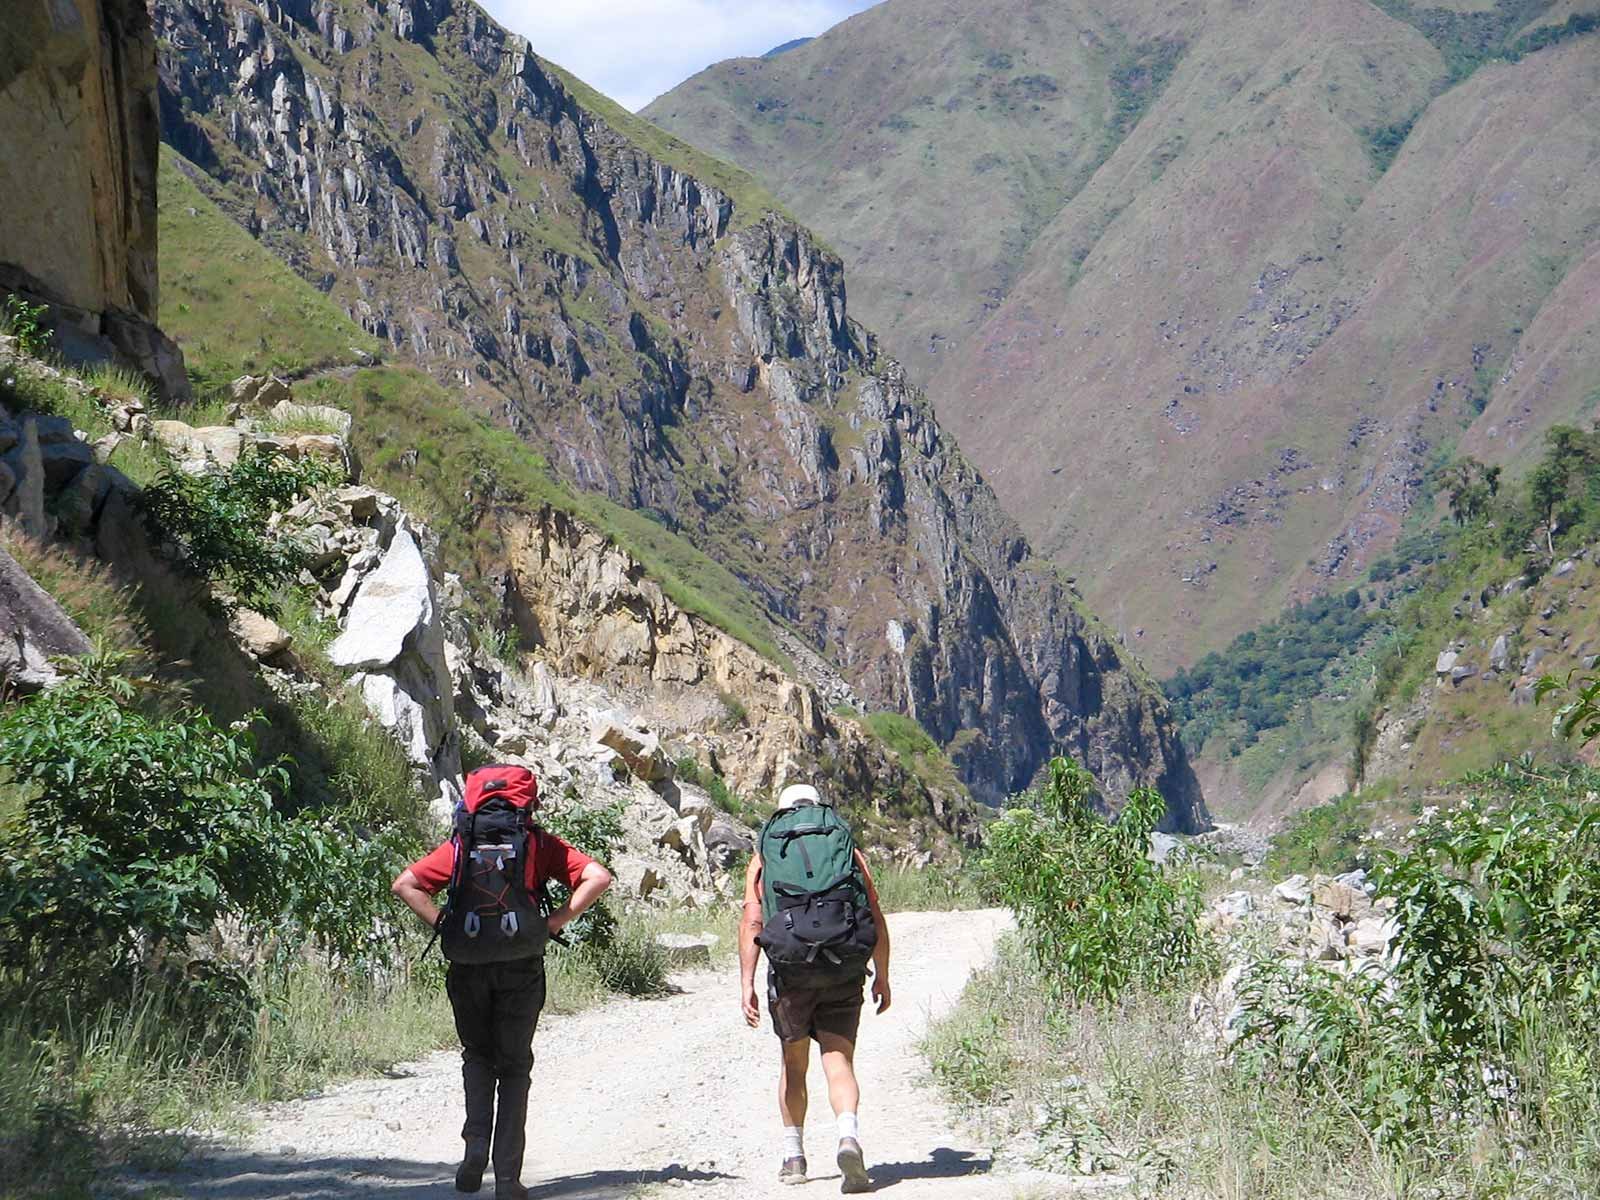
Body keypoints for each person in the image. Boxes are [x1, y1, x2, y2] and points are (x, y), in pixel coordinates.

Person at [393, 767, 612, 1200]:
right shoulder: (538, 843)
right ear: (527, 803)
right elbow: (598, 877)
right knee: (514, 1067)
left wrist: (446, 924)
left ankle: (475, 1150)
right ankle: (508, 1178)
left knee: (477, 1055)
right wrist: (553, 923)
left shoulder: (462, 844)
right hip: (521, 964)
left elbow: (406, 884)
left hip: (467, 962)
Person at [740, 783, 891, 1194]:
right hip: (843, 966)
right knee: (838, 1060)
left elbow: (753, 922)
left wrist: (746, 983)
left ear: (783, 813)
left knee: (794, 1064)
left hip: (791, 973)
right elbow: (872, 914)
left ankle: (794, 1157)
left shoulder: (765, 855)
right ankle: (848, 1137)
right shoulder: (846, 848)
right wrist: (883, 974)